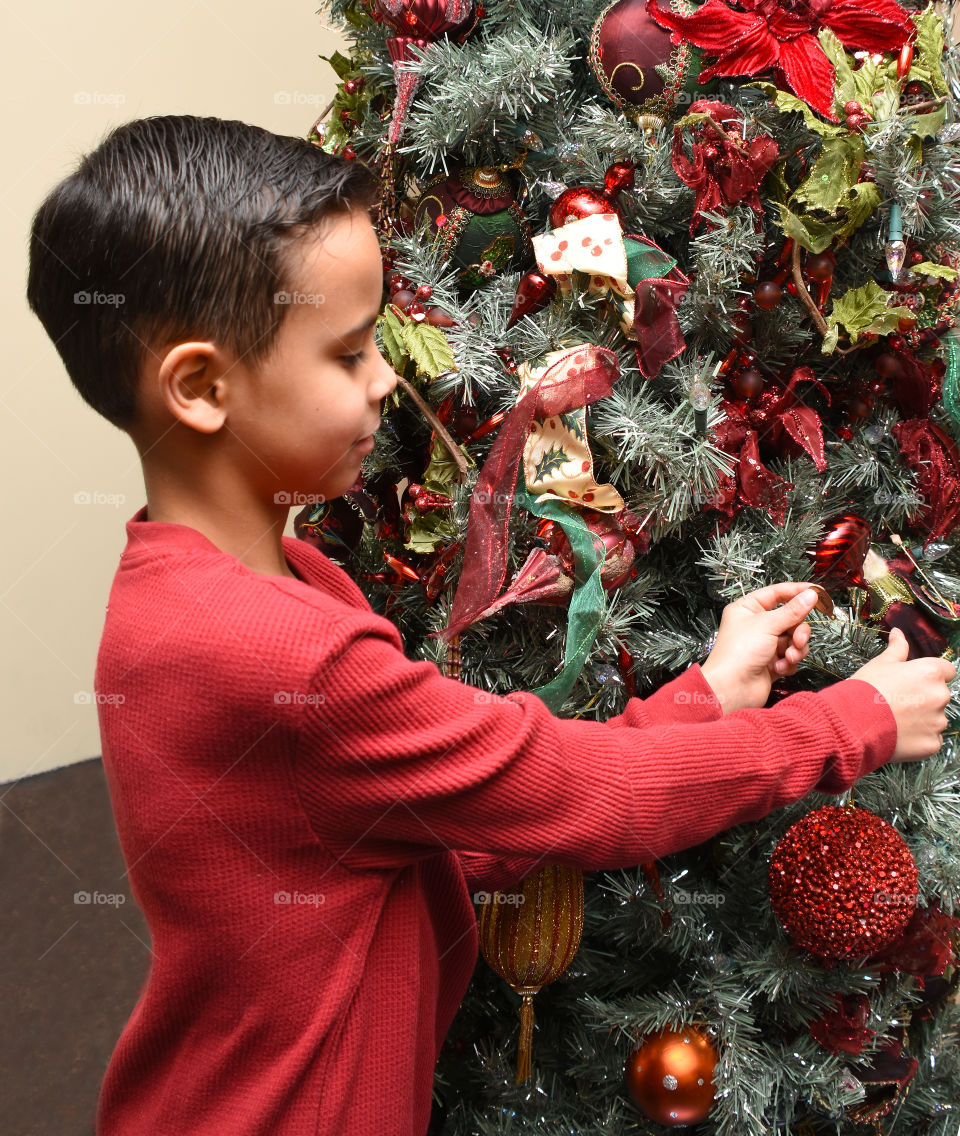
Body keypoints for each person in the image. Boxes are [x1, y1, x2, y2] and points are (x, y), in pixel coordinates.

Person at [26, 116, 955, 1136]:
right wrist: (850, 720)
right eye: (345, 352)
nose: (388, 376)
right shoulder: (280, 653)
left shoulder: (236, 580)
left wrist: (705, 697)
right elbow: (574, 794)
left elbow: (462, 807)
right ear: (202, 388)